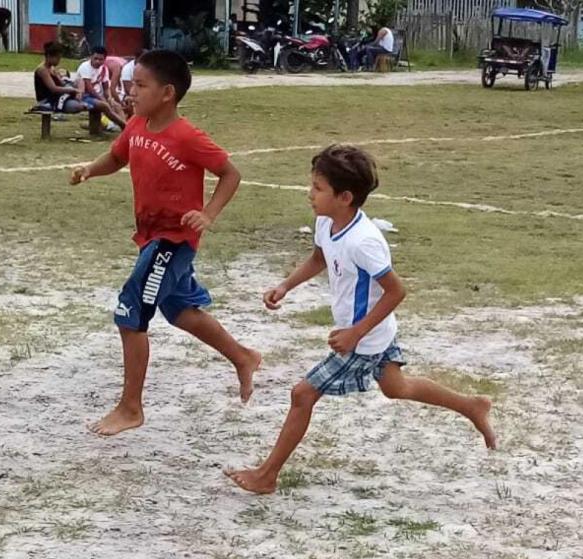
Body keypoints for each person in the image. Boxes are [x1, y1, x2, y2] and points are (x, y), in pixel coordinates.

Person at [226, 144, 497, 495]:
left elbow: (396, 291)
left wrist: (356, 332)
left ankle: (267, 475)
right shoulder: (326, 222)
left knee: (302, 395)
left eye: (318, 188)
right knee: (397, 387)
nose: (309, 193)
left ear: (345, 197)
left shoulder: (364, 242)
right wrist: (285, 286)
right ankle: (471, 406)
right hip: (374, 332)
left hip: (365, 338)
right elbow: (319, 258)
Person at [69, 50, 261, 436]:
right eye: (131, 84)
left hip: (174, 240)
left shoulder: (187, 136)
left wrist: (208, 214)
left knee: (131, 309)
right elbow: (116, 157)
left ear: (167, 93)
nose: (131, 92)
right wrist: (90, 169)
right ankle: (243, 357)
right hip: (151, 236)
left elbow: (230, 173)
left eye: (140, 86)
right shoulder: (136, 125)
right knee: (180, 311)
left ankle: (131, 408)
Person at [76, 46, 127, 131]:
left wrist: (109, 98)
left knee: (117, 106)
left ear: (104, 59)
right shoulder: (85, 67)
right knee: (104, 105)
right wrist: (103, 99)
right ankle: (124, 126)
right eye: (95, 58)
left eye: (100, 59)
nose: (98, 61)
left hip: (96, 96)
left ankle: (125, 129)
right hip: (85, 96)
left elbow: (106, 87)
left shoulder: (104, 69)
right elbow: (89, 89)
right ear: (91, 57)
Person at [34, 41, 86, 113]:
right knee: (78, 106)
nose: (59, 61)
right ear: (49, 56)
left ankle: (79, 96)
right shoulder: (42, 70)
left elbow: (62, 84)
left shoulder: (51, 68)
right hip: (49, 100)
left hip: (58, 96)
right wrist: (73, 90)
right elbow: (54, 89)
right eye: (58, 58)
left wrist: (60, 77)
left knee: (80, 80)